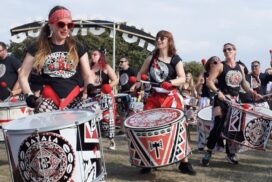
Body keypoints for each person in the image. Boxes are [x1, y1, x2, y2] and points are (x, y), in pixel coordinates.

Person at [135, 30, 196, 175]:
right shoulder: (151, 58)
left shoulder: (175, 58)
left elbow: (182, 78)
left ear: (169, 41)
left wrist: (170, 82)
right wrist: (138, 83)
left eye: (162, 38)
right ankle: (148, 161)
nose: (159, 40)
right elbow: (140, 73)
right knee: (148, 128)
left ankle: (184, 162)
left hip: (171, 97)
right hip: (153, 96)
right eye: (158, 38)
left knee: (179, 127)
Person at [19, 5, 95, 113]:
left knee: (93, 110)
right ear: (51, 25)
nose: (65, 28)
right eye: (61, 24)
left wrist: (90, 85)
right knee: (41, 112)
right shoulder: (38, 46)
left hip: (75, 99)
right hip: (49, 100)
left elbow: (87, 75)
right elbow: (23, 75)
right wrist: (29, 95)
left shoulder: (78, 46)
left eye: (69, 25)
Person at [201, 43, 262, 166]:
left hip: (234, 101)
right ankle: (208, 151)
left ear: (235, 51)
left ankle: (230, 154)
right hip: (221, 100)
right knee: (218, 126)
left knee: (232, 129)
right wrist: (218, 92)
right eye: (224, 50)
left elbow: (244, 83)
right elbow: (209, 82)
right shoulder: (219, 66)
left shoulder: (240, 67)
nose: (226, 51)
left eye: (229, 49)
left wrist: (252, 92)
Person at [90, 49, 118, 150]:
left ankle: (112, 141)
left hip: (105, 96)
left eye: (95, 54)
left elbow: (115, 80)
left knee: (107, 119)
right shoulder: (89, 68)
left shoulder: (106, 67)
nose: (92, 56)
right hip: (92, 97)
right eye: (92, 54)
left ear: (100, 56)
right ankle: (94, 142)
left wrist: (107, 88)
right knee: (93, 119)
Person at [195, 56, 224, 151]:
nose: (216, 64)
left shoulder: (220, 74)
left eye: (218, 62)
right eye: (214, 62)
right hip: (205, 99)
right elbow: (196, 89)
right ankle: (201, 144)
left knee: (216, 124)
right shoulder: (204, 74)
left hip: (216, 100)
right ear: (209, 63)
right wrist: (200, 84)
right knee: (202, 123)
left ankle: (216, 145)